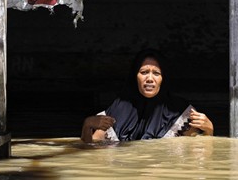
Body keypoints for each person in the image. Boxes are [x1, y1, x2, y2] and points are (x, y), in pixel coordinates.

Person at [81, 48, 214, 143]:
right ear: (135, 77)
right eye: (144, 72)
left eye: (156, 73)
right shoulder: (119, 109)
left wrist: (209, 131)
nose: (150, 79)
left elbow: (198, 155)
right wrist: (87, 125)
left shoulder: (179, 112)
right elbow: (91, 152)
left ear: (164, 79)